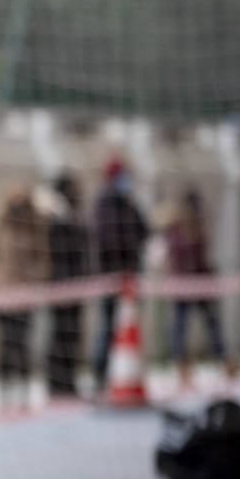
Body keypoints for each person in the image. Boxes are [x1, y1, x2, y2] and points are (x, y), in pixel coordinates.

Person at [0, 185, 48, 410]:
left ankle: (23, 391)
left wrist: (32, 282)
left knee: (22, 345)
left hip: (24, 298)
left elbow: (42, 260)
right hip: (3, 296)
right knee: (5, 345)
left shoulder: (32, 227)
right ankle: (5, 391)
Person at [91, 158, 149, 393]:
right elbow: (107, 238)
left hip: (129, 280)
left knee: (127, 331)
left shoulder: (128, 204)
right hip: (112, 279)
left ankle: (124, 377)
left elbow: (144, 229)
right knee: (107, 328)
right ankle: (100, 377)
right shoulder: (104, 205)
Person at [165, 187, 234, 385]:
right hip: (182, 286)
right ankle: (181, 366)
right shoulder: (175, 227)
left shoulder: (197, 226)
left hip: (200, 284)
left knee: (212, 323)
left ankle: (224, 360)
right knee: (180, 326)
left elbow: (200, 257)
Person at [44, 170, 89, 398]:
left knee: (72, 335)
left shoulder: (75, 217)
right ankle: (56, 383)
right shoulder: (53, 218)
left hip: (75, 285)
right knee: (59, 335)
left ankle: (68, 381)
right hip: (60, 285)